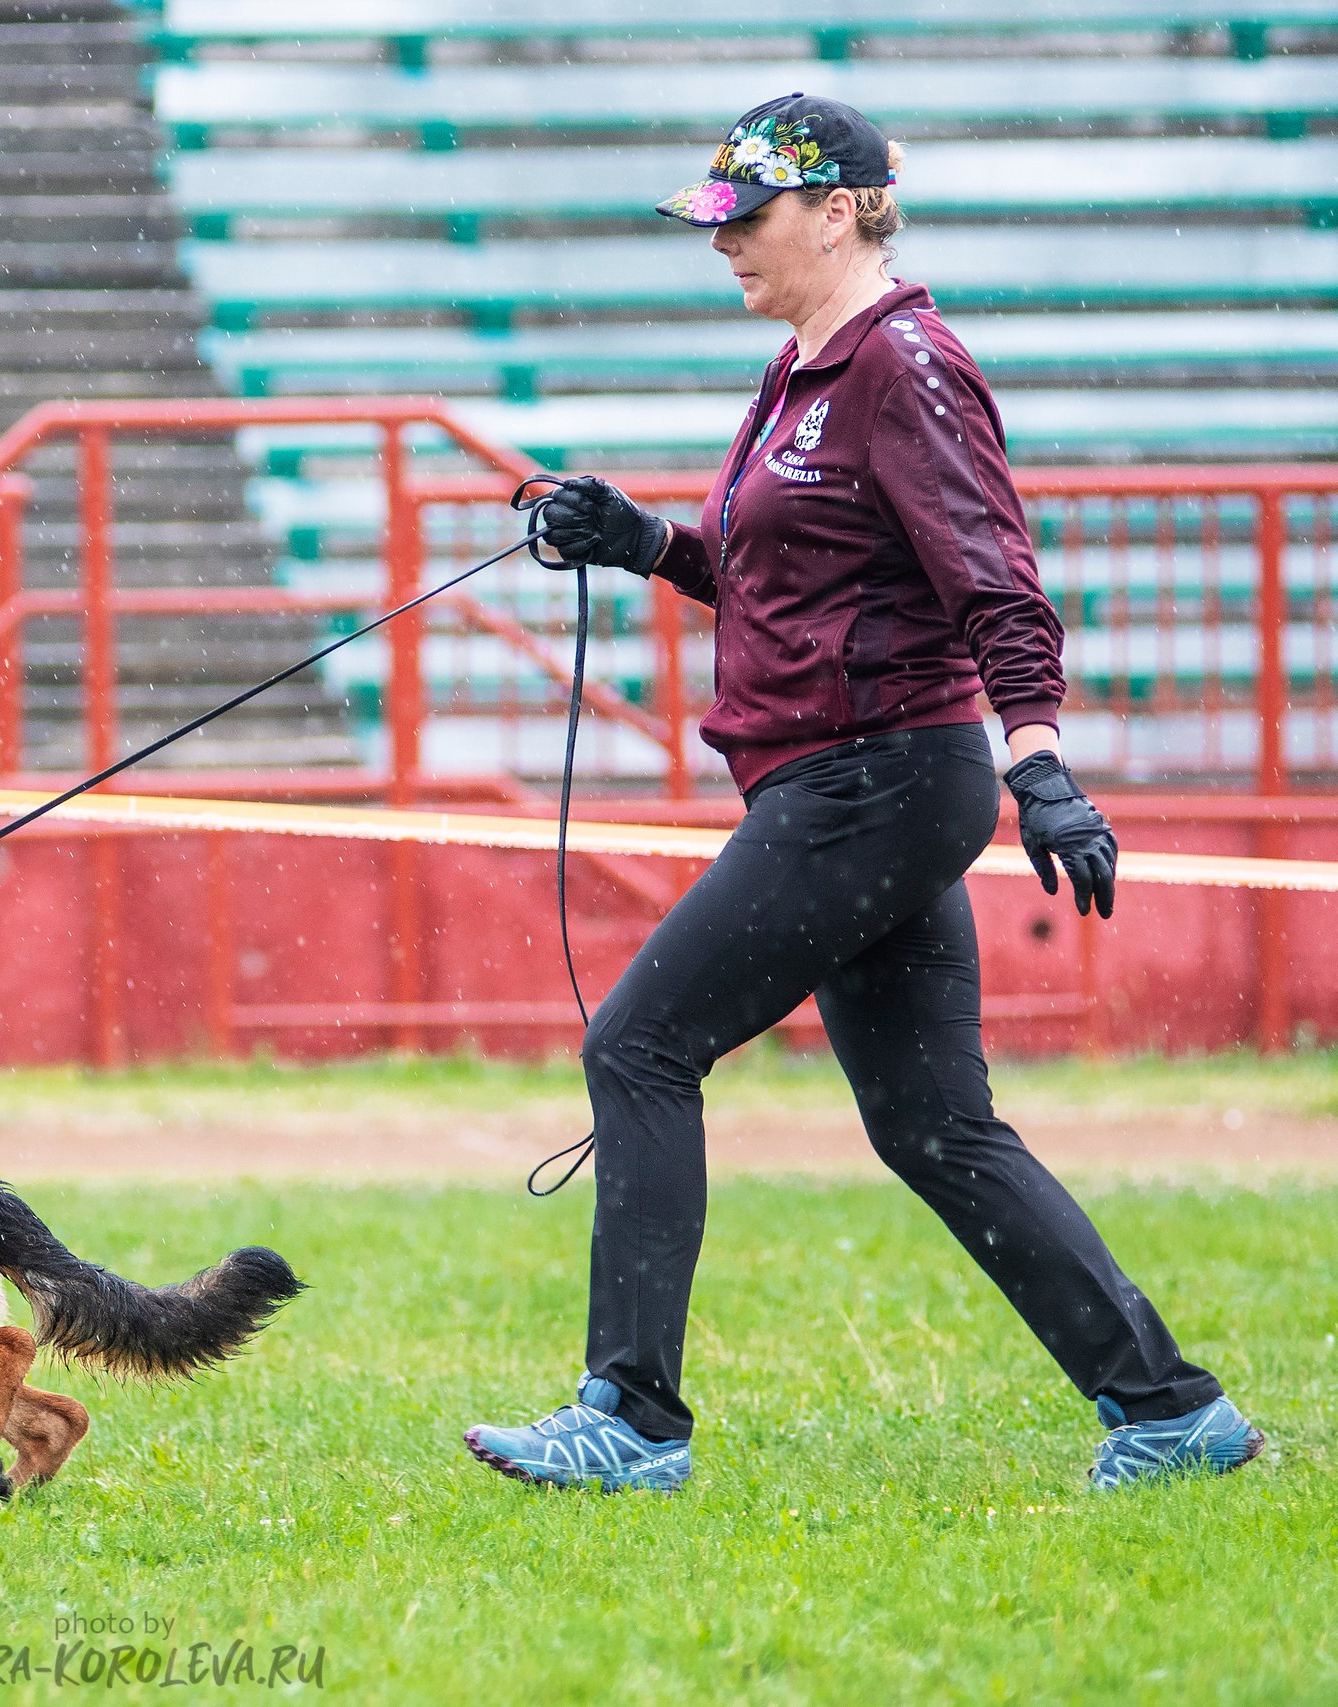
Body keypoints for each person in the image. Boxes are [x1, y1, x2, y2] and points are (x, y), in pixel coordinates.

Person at [460, 94, 1264, 1494]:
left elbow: (996, 585)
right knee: (936, 1126)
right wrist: (645, 542)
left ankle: (632, 1419)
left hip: (876, 782)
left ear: (840, 210)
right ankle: (1170, 1412)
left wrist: (1042, 767)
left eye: (747, 221)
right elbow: (785, 578)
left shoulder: (907, 368)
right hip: (852, 780)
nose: (727, 250)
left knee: (640, 1046)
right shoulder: (803, 373)